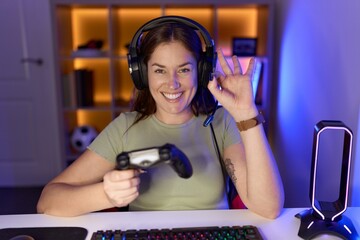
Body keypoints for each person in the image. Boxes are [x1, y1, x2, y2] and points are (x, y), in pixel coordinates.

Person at [37, 16, 284, 218]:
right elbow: (48, 201)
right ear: (143, 74)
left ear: (201, 71)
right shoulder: (125, 127)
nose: (173, 83)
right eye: (159, 70)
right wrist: (105, 194)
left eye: (184, 69)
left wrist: (246, 115)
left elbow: (268, 208)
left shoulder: (220, 123)